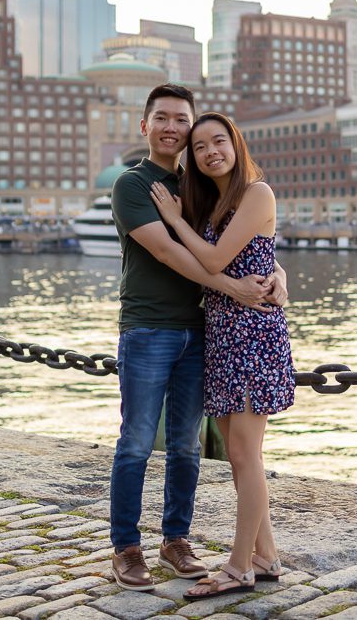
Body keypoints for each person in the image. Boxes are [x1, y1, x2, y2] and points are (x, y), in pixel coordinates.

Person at [109, 84, 288, 591]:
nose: (172, 126)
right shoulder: (133, 184)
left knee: (187, 447)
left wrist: (277, 273)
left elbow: (244, 239)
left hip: (205, 330)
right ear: (145, 127)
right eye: (161, 117)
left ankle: (177, 541)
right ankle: (125, 548)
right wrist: (230, 285)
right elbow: (169, 252)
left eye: (180, 119)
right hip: (149, 327)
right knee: (138, 441)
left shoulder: (201, 184)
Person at [149, 111, 295, 600]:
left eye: (219, 141)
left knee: (243, 455)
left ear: (236, 143)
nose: (211, 152)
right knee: (240, 459)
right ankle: (266, 556)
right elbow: (253, 253)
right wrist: (277, 269)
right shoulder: (214, 203)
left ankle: (239, 566)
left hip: (253, 334)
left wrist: (172, 220)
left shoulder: (257, 192)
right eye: (201, 147)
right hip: (224, 335)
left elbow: (213, 261)